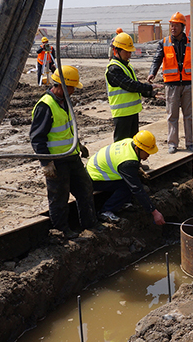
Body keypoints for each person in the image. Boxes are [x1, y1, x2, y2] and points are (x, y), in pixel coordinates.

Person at [29, 66, 99, 238]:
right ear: (60, 86)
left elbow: (67, 128)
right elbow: (37, 138)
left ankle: (90, 224)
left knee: (85, 188)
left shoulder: (65, 101)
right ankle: (61, 231)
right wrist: (46, 163)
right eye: (71, 87)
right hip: (57, 161)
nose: (74, 91)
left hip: (72, 156)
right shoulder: (45, 106)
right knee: (59, 197)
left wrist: (79, 145)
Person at [87, 130, 166, 225]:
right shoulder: (128, 163)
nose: (148, 155)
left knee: (131, 180)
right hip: (94, 177)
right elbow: (136, 189)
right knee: (127, 186)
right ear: (137, 148)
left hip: (97, 169)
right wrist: (154, 212)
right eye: (147, 152)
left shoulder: (130, 142)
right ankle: (106, 211)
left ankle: (122, 202)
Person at [148, 12, 192, 154]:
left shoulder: (191, 42)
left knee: (189, 115)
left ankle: (190, 143)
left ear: (182, 27)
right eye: (171, 25)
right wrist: (152, 73)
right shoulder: (164, 42)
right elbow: (157, 59)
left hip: (188, 84)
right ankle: (172, 143)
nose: (173, 28)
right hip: (172, 85)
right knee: (172, 116)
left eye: (176, 25)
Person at [107, 31, 157, 142]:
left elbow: (135, 86)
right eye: (127, 52)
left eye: (130, 52)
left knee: (132, 142)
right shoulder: (114, 69)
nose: (129, 54)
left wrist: (151, 94)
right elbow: (130, 85)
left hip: (132, 112)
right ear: (117, 51)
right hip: (122, 113)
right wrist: (149, 87)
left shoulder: (127, 66)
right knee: (121, 144)